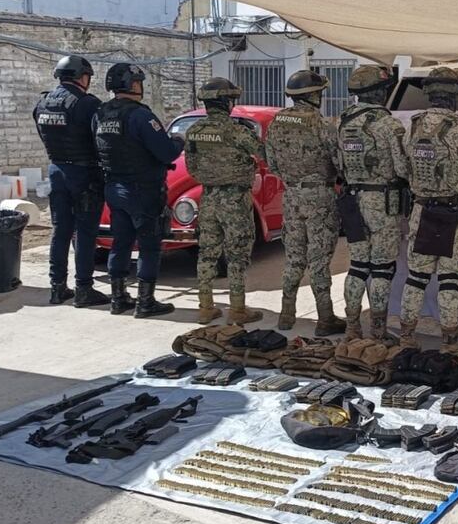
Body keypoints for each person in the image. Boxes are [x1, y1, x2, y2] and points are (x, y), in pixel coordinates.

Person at [395, 66, 458, 362]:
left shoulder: (412, 128)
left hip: (421, 211)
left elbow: (402, 169)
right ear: (455, 95)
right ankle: (450, 344)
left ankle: (406, 337)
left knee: (416, 278)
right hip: (456, 216)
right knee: (449, 281)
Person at [93, 63, 182, 318]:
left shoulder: (100, 115)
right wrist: (179, 141)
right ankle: (145, 302)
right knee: (148, 245)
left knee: (120, 243)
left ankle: (118, 298)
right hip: (142, 191)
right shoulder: (141, 116)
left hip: (114, 188)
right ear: (133, 84)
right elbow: (166, 152)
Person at [264, 69, 346, 336]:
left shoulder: (277, 122)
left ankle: (286, 315)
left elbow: (272, 163)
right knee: (319, 259)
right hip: (320, 197)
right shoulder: (322, 125)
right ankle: (325, 317)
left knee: (294, 257)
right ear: (314, 94)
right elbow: (340, 164)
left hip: (291, 197)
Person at [185, 77, 266, 326]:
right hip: (235, 199)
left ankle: (206, 307)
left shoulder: (194, 131)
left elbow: (191, 166)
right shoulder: (237, 131)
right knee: (237, 254)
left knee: (207, 253)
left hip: (208, 197)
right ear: (226, 102)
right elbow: (264, 154)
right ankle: (238, 308)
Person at [335, 64, 405, 340]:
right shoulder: (389, 124)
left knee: (357, 266)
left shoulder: (342, 122)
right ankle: (378, 330)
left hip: (352, 200)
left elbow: (337, 163)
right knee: (381, 269)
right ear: (378, 92)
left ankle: (352, 326)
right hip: (383, 202)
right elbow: (402, 168)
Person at [33, 56, 109, 308]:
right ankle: (84, 288)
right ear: (82, 77)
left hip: (56, 171)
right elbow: (100, 140)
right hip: (84, 173)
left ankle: (57, 287)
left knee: (61, 230)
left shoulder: (43, 103)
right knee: (85, 233)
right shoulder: (88, 104)